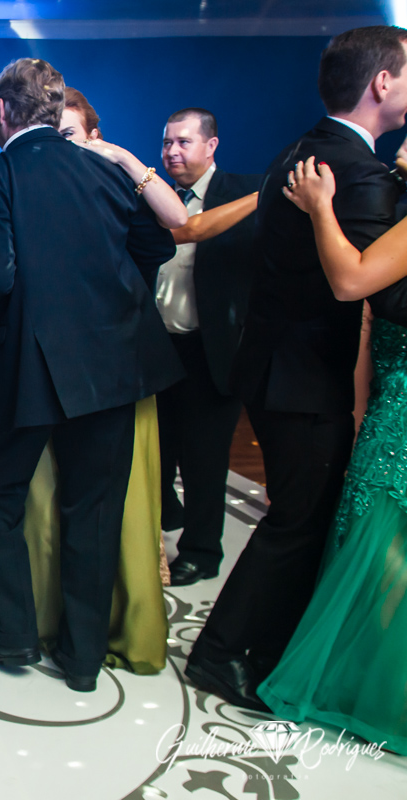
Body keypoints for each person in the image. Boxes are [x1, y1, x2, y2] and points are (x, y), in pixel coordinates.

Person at [0, 57, 182, 693]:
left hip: (28, 368)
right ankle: (81, 660)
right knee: (93, 509)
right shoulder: (101, 169)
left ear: (2, 113)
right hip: (112, 365)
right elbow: (156, 247)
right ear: (52, 110)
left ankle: (15, 633)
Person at [189, 25, 407, 712]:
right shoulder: (358, 171)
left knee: (301, 515)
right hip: (306, 376)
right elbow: (379, 288)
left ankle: (261, 645)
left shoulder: (301, 148)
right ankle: (222, 654)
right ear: (382, 83)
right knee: (299, 520)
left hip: (273, 364)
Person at [254, 157, 407, 754]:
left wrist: (320, 208)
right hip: (388, 399)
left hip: (400, 411)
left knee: (382, 543)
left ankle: (375, 690)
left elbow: (350, 283)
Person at [154, 108, 261, 587]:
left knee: (204, 459)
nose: (172, 152)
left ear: (211, 145)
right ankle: (159, 526)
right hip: (158, 351)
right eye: (167, 143)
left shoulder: (244, 194)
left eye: (183, 142)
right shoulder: (157, 199)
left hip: (211, 350)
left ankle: (201, 551)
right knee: (155, 453)